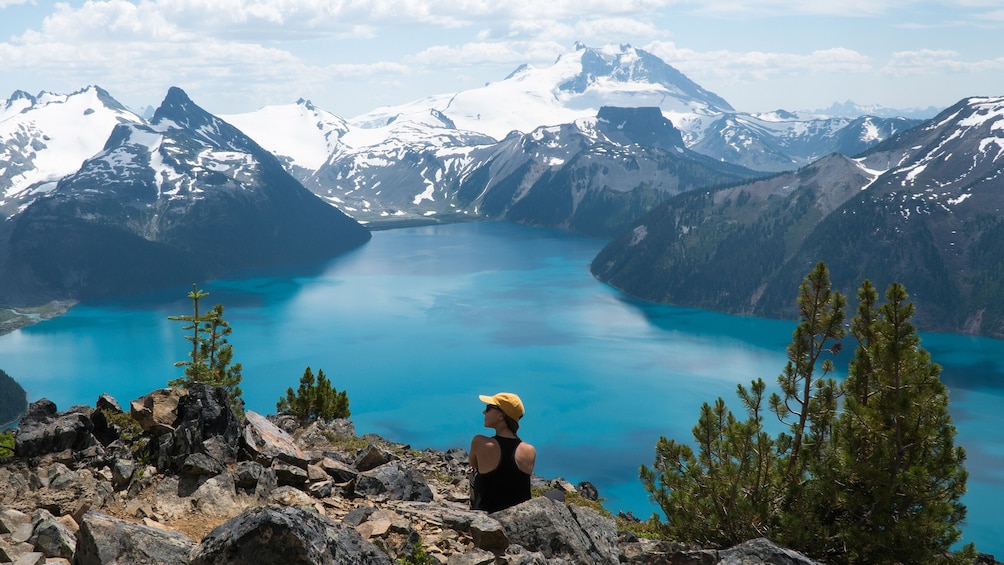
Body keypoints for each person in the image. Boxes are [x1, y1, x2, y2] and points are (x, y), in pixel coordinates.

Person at [469, 392, 536, 513]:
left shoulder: (479, 442)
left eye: (488, 408)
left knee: (473, 472)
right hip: (520, 517)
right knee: (557, 494)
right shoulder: (530, 450)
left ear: (501, 416)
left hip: (488, 517)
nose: (484, 412)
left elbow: (473, 465)